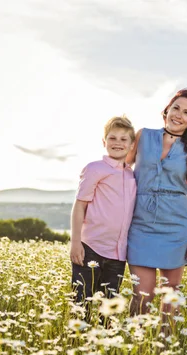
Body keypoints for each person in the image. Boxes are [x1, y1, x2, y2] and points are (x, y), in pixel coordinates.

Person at [127, 89, 187, 317]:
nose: (179, 115)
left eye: (186, 113)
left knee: (170, 294)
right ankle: (131, 343)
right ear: (167, 110)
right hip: (140, 224)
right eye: (176, 108)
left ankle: (165, 348)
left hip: (176, 227)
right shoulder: (143, 136)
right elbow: (122, 170)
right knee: (143, 294)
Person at [70, 116, 136, 321]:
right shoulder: (95, 168)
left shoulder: (131, 175)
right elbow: (79, 205)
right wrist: (75, 242)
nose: (118, 143)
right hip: (90, 247)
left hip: (117, 254)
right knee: (82, 306)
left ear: (132, 145)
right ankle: (76, 348)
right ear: (104, 141)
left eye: (124, 139)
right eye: (112, 138)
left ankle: (104, 347)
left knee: (108, 311)